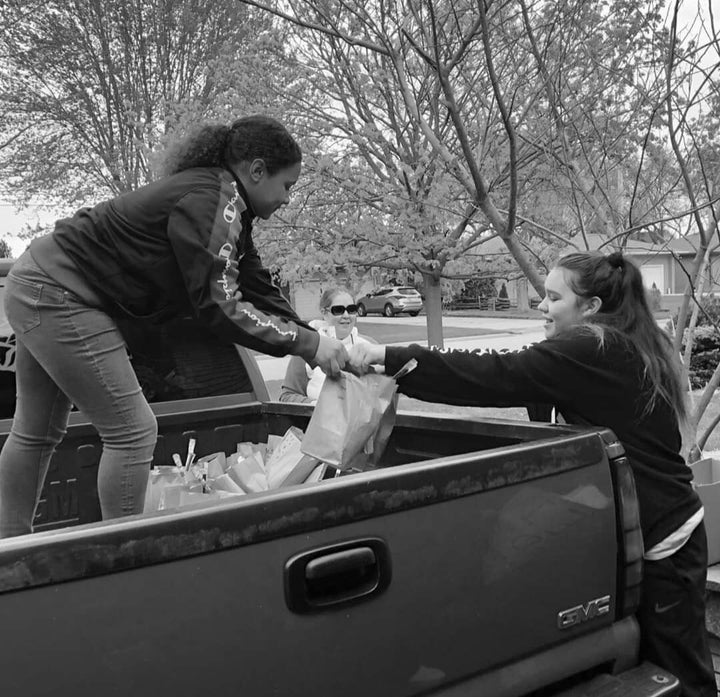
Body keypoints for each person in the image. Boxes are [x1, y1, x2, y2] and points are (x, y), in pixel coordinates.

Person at [347, 251, 715, 697]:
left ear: (591, 307)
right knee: (656, 661)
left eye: (554, 298)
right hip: (656, 524)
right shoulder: (620, 342)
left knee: (681, 671)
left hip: (666, 540)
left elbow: (494, 373)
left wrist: (387, 357)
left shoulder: (591, 348)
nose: (542, 306)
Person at [0, 114, 348, 537]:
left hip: (35, 279)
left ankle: (10, 552)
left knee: (37, 432)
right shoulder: (214, 201)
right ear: (257, 171)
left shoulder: (223, 200)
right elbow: (219, 305)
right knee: (132, 432)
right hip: (60, 293)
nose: (288, 198)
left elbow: (253, 281)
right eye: (287, 186)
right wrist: (307, 346)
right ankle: (127, 564)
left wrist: (310, 335)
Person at [279, 287, 375, 404]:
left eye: (351, 309)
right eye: (338, 310)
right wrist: (316, 406)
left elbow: (383, 393)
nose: (346, 315)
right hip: (319, 420)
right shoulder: (307, 348)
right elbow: (287, 396)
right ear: (324, 313)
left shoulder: (370, 345)